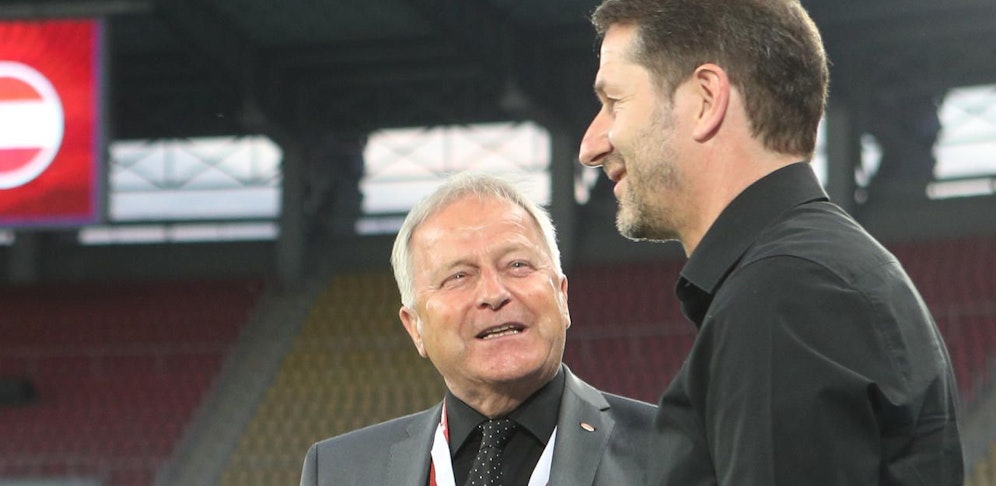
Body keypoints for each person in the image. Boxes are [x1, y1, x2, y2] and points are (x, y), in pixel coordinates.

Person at [578, 0, 964, 484]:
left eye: (615, 101)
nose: (590, 145)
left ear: (704, 100)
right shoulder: (807, 275)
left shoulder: (786, 294)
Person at [300, 172, 656, 485]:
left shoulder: (671, 448)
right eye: (458, 277)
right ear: (415, 327)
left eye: (517, 264)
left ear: (562, 296)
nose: (494, 294)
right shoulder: (338, 471)